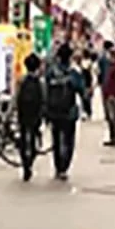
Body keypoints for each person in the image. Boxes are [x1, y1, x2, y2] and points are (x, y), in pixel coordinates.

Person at [44, 42, 81, 180]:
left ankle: (58, 166)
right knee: (69, 140)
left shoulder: (51, 72)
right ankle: (65, 166)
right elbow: (81, 89)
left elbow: (45, 90)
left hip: (54, 112)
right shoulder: (73, 73)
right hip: (69, 112)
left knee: (56, 139)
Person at [15, 51, 45, 182]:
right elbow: (44, 98)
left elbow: (16, 98)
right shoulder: (40, 82)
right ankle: (30, 160)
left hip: (23, 114)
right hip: (35, 114)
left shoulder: (21, 80)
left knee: (23, 137)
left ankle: (25, 163)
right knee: (33, 137)